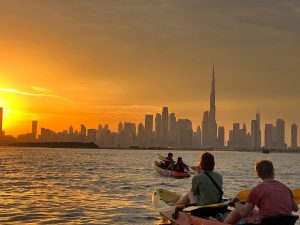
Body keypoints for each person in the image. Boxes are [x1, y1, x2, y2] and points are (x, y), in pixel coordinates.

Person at [220, 160, 298, 224]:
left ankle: (220, 223)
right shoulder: (286, 188)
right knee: (254, 213)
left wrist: (236, 202)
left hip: (266, 223)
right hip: (285, 223)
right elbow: (295, 208)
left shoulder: (257, 190)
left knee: (239, 210)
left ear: (258, 174)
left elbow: (244, 213)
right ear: (272, 171)